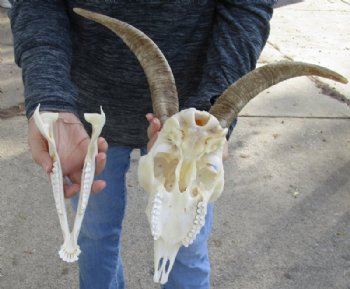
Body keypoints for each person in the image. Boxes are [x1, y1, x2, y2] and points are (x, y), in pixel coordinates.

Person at [9, 1, 277, 288]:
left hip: (190, 132)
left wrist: (207, 118)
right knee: (95, 232)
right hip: (86, 119)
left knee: (186, 239)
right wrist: (50, 99)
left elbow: (246, 8)